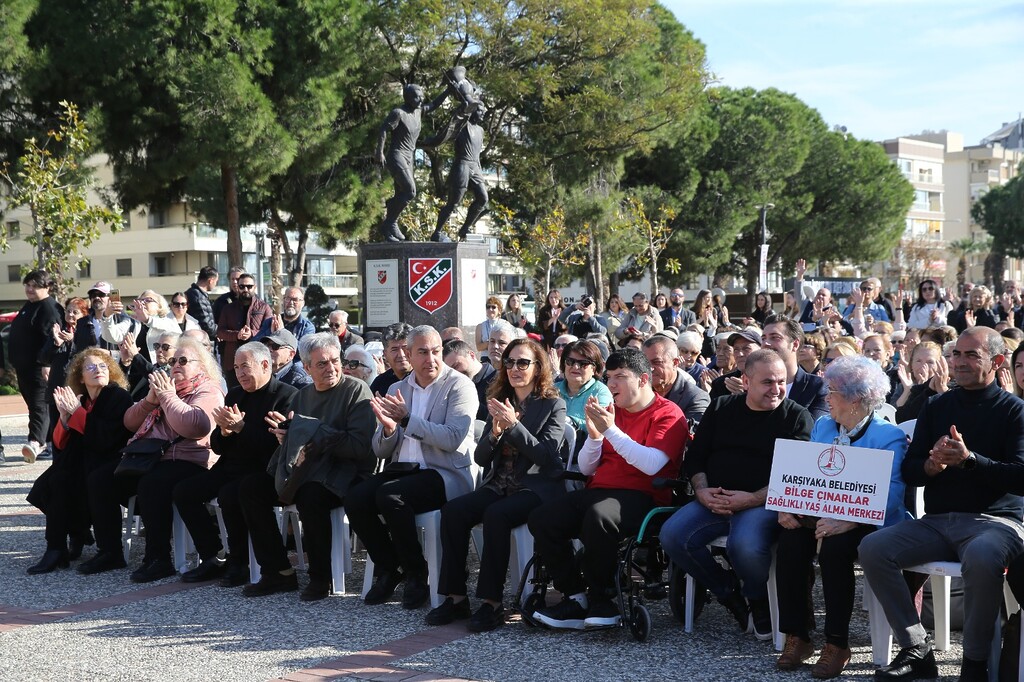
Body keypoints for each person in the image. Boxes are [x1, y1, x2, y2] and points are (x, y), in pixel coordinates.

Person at [860, 327, 1024, 681]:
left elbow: (1020, 476)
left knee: (982, 556)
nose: (959, 362)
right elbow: (911, 470)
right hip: (936, 522)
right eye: (956, 354)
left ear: (997, 361)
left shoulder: (1015, 411)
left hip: (995, 522)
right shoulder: (937, 405)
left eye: (971, 355)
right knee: (874, 548)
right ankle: (916, 648)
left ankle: (975, 663)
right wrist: (932, 465)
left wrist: (970, 460)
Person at [528, 348, 689, 629]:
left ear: (643, 379)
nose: (611, 384)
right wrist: (594, 437)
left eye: (620, 377)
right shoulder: (613, 412)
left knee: (598, 516)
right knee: (543, 518)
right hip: (600, 491)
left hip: (644, 496)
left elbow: (652, 465)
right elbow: (586, 469)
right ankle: (575, 596)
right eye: (609, 377)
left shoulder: (668, 413)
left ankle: (603, 598)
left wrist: (610, 430)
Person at [659, 349, 814, 640]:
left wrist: (752, 499)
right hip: (714, 498)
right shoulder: (721, 408)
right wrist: (702, 491)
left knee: (745, 545)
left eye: (781, 381)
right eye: (767, 382)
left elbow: (795, 475)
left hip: (765, 502)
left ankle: (757, 599)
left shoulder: (796, 416)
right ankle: (728, 592)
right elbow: (696, 457)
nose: (776, 389)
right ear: (746, 381)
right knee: (672, 535)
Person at [774, 356, 910, 678]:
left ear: (855, 399)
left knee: (835, 549)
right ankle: (798, 635)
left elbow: (892, 494)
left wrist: (852, 519)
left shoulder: (887, 436)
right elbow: (804, 474)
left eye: (832, 391)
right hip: (826, 512)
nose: (826, 397)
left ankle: (837, 643)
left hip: (872, 522)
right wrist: (786, 502)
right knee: (791, 540)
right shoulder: (823, 426)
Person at [428, 338, 567, 630]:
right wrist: (494, 433)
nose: (514, 368)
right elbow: (481, 458)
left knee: (496, 515)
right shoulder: (500, 399)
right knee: (453, 511)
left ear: (538, 367)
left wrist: (514, 426)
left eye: (523, 362)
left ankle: (492, 603)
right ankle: (456, 597)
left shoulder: (553, 405)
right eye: (509, 362)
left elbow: (546, 456)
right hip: (498, 485)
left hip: (534, 488)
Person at [349, 326, 478, 608]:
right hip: (403, 470)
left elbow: (453, 439)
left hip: (444, 473)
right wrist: (388, 430)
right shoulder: (397, 389)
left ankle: (416, 573)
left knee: (390, 495)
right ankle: (389, 567)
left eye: (436, 351)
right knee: (356, 497)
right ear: (408, 354)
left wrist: (408, 420)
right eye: (423, 352)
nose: (431, 359)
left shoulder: (459, 386)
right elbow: (381, 450)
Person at [240, 332, 376, 600]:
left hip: (345, 472)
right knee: (251, 488)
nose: (331, 368)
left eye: (335, 361)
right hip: (308, 469)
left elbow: (359, 448)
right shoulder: (302, 396)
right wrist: (287, 437)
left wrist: (312, 433)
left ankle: (320, 577)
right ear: (307, 367)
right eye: (322, 364)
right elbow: (297, 441)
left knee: (310, 495)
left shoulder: (356, 390)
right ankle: (278, 571)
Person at [79, 337, 225, 579]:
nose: (175, 365)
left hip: (191, 460)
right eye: (173, 361)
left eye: (183, 360)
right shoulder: (167, 387)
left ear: (202, 365)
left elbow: (194, 427)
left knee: (151, 484)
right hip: (155, 457)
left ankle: (158, 558)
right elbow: (129, 422)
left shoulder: (207, 389)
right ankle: (110, 551)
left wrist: (167, 396)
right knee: (101, 479)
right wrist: (149, 401)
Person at [171, 342, 296, 585]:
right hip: (230, 466)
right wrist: (225, 432)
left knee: (231, 494)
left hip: (262, 470)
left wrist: (240, 428)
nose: (239, 373)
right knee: (184, 491)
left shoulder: (286, 395)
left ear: (265, 364)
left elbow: (275, 448)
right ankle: (214, 556)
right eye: (236, 367)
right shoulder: (235, 394)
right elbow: (217, 445)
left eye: (245, 366)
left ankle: (239, 563)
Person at [25, 349, 134, 573]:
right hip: (87, 460)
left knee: (85, 478)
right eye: (90, 367)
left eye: (103, 366)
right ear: (80, 377)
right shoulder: (82, 400)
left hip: (113, 459)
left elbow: (105, 438)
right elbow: (60, 444)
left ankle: (84, 539)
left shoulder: (118, 396)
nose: (98, 370)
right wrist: (65, 418)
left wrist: (77, 412)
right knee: (54, 479)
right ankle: (57, 547)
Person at [377, 83, 451, 242]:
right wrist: (379, 152)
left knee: (401, 194)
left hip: (409, 157)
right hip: (397, 155)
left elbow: (434, 104)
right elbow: (383, 129)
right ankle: (389, 223)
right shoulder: (398, 113)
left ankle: (390, 224)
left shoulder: (418, 111)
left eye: (421, 96)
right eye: (417, 97)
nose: (421, 100)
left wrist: (448, 90)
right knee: (410, 191)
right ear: (408, 97)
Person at [8, 270, 63, 462]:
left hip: (39, 368)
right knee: (33, 405)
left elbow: (52, 338)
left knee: (39, 405)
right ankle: (48, 443)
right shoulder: (30, 305)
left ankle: (35, 442)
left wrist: (47, 363)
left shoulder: (49, 308)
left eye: (35, 286)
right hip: (24, 368)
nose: (30, 289)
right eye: (28, 285)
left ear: (47, 287)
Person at [429, 107, 489, 242]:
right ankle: (437, 232)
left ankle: (465, 228)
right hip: (462, 164)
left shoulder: (480, 130)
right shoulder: (462, 125)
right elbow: (456, 116)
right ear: (473, 110)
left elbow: (477, 154)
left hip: (475, 166)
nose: (483, 113)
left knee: (483, 198)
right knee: (454, 202)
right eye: (480, 110)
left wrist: (479, 171)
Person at [40, 297, 90, 444]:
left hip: (78, 387)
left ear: (84, 314)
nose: (70, 315)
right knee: (57, 425)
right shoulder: (59, 331)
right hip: (57, 386)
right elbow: (44, 358)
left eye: (75, 312)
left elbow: (87, 354)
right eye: (68, 311)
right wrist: (56, 343)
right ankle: (55, 451)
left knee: (76, 428)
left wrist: (73, 341)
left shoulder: (88, 331)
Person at [760, 315, 830, 420]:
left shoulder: (817, 386)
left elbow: (813, 426)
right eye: (763, 338)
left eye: (775, 337)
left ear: (795, 344)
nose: (766, 343)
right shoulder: (754, 386)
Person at [217, 273, 274, 388]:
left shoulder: (264, 307)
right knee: (234, 393)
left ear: (255, 287)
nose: (245, 290)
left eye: (249, 286)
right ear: (237, 287)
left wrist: (251, 333)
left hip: (256, 359)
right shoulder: (228, 308)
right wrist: (237, 335)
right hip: (232, 361)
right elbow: (220, 332)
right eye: (242, 286)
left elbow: (269, 331)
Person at [643, 334, 710, 428]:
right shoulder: (639, 391)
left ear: (675, 363)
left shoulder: (695, 398)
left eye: (657, 362)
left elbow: (690, 434)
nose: (650, 368)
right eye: (645, 363)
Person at [101, 289, 181, 363]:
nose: (142, 303)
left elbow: (177, 334)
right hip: (136, 371)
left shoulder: (167, 322)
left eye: (148, 300)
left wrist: (147, 320)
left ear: (159, 307)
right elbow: (110, 336)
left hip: (159, 371)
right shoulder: (132, 323)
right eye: (140, 301)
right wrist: (107, 316)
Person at [555, 339, 612, 432]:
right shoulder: (552, 390)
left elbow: (601, 426)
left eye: (583, 363)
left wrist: (571, 422)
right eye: (570, 361)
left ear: (594, 369)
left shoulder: (601, 393)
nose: (575, 367)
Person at [892, 341, 948, 424]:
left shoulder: (946, 387)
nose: (923, 366)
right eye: (918, 361)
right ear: (911, 364)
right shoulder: (902, 385)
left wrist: (926, 389)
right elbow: (893, 416)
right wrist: (908, 390)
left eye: (930, 362)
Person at [443, 338, 496, 422]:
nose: (455, 373)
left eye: (456, 366)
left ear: (471, 355)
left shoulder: (497, 380)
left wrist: (468, 399)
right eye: (450, 371)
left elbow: (496, 419)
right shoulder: (455, 385)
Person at [709, 328, 762, 401]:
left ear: (761, 350)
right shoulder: (721, 384)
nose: (740, 354)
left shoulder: (771, 381)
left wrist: (747, 396)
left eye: (746, 348)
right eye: (736, 349)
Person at [370, 322, 413, 396]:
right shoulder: (379, 383)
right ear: (385, 354)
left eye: (405, 348)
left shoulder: (423, 379)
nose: (401, 355)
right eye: (394, 349)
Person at [186, 265, 219, 344]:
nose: (215, 284)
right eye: (216, 281)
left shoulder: (195, 294)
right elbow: (207, 325)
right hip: (199, 341)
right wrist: (221, 332)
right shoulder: (199, 297)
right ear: (210, 280)